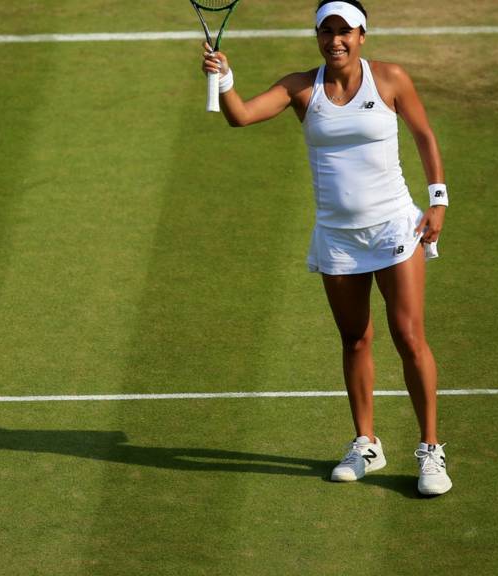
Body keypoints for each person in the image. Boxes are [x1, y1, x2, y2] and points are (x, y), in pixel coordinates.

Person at [201, 0, 452, 496]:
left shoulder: (391, 79)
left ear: (362, 35)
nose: (335, 40)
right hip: (338, 237)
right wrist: (225, 76)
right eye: (326, 32)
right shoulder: (301, 87)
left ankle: (430, 450)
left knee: (408, 336)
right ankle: (366, 443)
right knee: (355, 339)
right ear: (318, 37)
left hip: (394, 228)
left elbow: (423, 135)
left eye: (345, 31)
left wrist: (437, 201)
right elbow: (241, 117)